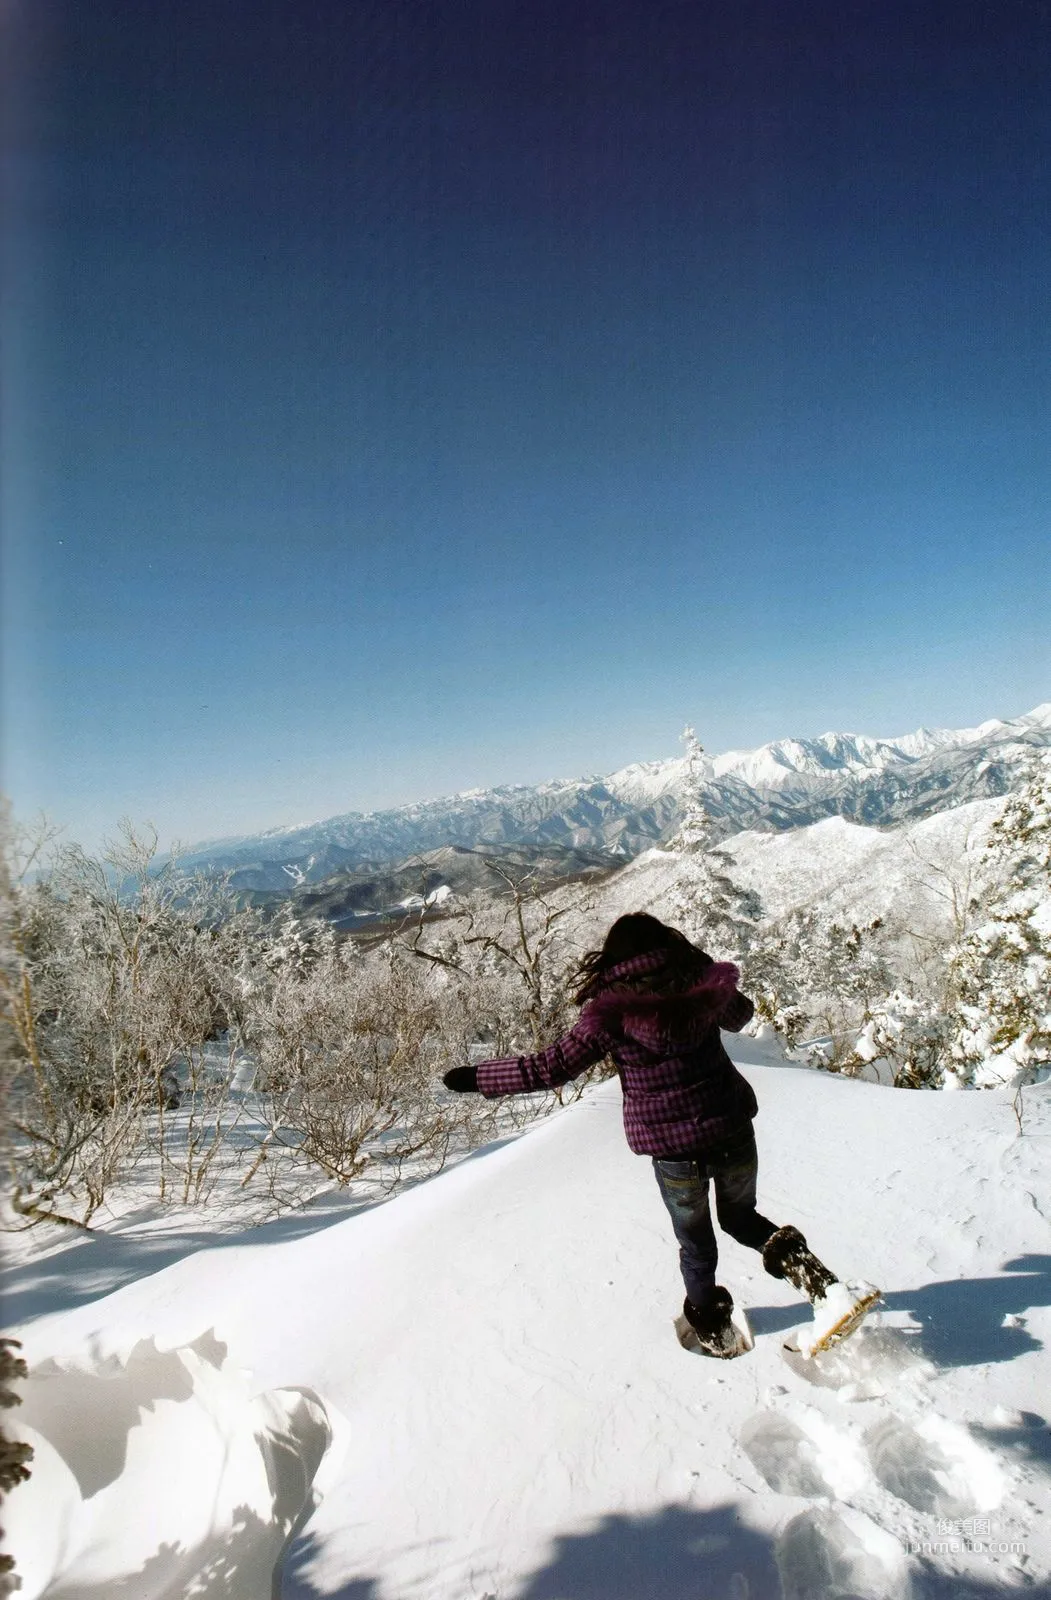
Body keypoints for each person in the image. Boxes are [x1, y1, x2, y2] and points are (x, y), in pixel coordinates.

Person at [443, 911, 843, 1358]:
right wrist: (705, 970)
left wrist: (478, 1077)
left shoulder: (610, 1013)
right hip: (730, 1127)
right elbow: (741, 1016)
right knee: (742, 1218)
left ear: (613, 958)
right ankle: (820, 1283)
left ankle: (713, 1328)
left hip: (675, 1153)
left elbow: (551, 1068)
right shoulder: (698, 985)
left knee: (696, 1244)